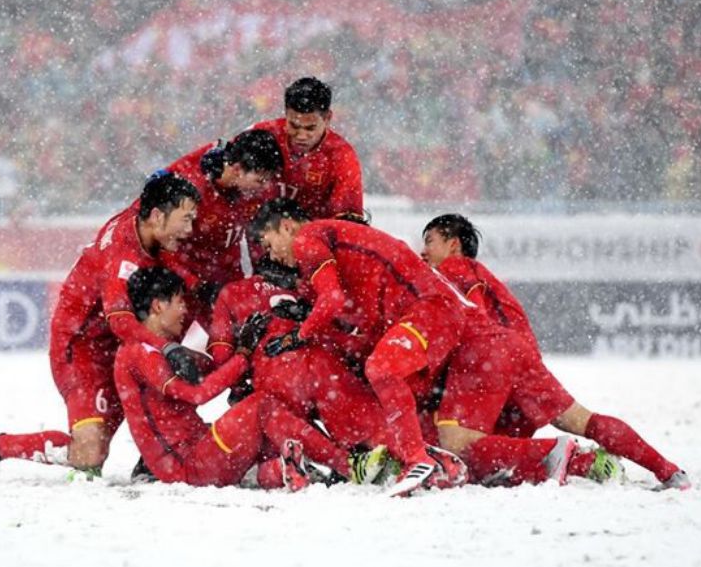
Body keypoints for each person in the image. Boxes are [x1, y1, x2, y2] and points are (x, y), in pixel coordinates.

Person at [420, 213, 691, 490]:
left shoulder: (451, 269)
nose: (423, 251)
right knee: (580, 420)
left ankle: (565, 456)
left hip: (486, 353)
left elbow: (469, 319)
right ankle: (667, 471)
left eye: (429, 241)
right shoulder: (485, 276)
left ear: (454, 245)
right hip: (521, 355)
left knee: (455, 446)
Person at [0, 173, 201, 483]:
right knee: (88, 456)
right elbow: (120, 320)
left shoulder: (145, 219)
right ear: (157, 216)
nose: (189, 230)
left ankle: (153, 457)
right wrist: (167, 347)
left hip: (115, 347)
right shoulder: (122, 254)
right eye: (185, 220)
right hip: (80, 350)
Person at [251, 198, 485, 495]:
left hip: (429, 309)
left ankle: (417, 461)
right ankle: (437, 464)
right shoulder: (352, 261)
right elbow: (353, 319)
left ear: (286, 226)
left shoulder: (307, 238)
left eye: (269, 245)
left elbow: (332, 299)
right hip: (433, 314)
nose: (273, 256)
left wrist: (299, 334)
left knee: (380, 369)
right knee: (386, 383)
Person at [208, 257, 464, 492]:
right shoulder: (309, 285)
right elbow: (349, 332)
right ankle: (418, 457)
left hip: (274, 376)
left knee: (275, 443)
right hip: (324, 365)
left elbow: (221, 361)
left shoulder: (231, 294)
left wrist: (243, 365)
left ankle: (308, 466)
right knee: (366, 430)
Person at [112, 265, 311, 490]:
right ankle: (338, 462)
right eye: (180, 302)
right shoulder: (140, 353)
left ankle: (283, 469)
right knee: (259, 405)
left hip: (198, 451)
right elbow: (198, 395)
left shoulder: (158, 349)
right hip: (189, 468)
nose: (185, 310)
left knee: (260, 431)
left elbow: (212, 368)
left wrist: (237, 343)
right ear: (158, 306)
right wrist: (243, 355)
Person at [156, 128, 284, 315]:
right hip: (182, 283)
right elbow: (160, 245)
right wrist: (198, 286)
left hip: (224, 277)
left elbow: (257, 237)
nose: (265, 187)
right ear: (237, 169)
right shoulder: (190, 192)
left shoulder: (252, 190)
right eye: (260, 180)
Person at [251, 77, 365, 221]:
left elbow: (348, 223)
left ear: (327, 118)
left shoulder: (342, 156)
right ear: (286, 114)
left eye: (310, 128)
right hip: (256, 233)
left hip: (313, 238)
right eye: (294, 126)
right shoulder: (262, 134)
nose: (302, 136)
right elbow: (226, 163)